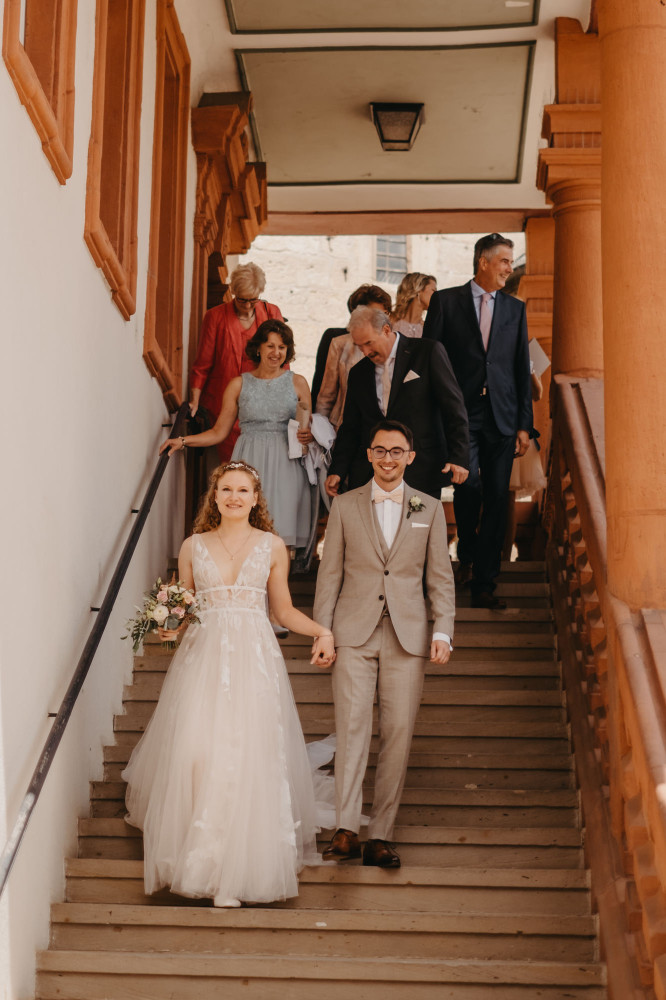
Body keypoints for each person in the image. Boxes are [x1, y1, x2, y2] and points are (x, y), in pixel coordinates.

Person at [123, 461, 336, 906]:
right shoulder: (193, 545)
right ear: (215, 496)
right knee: (197, 751)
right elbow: (182, 607)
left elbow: (281, 611)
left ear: (256, 498)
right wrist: (167, 627)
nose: (234, 497)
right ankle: (198, 861)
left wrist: (321, 631)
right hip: (203, 660)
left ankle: (237, 877)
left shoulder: (272, 546)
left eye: (243, 490)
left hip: (253, 663)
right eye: (226, 489)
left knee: (246, 756)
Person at [314, 421, 455, 868]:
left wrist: (442, 630)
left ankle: (381, 835)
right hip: (352, 633)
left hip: (407, 636)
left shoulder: (429, 508)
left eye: (397, 451)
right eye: (380, 450)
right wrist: (323, 632)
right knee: (351, 729)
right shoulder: (345, 505)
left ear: (410, 457)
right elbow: (329, 576)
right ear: (369, 455)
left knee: (397, 734)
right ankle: (345, 830)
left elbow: (440, 577)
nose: (388, 458)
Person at [422, 233, 533, 610]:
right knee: (467, 487)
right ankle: (467, 556)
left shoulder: (515, 309)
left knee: (498, 497)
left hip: (502, 416)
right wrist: (432, 415)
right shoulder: (446, 301)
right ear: (483, 262)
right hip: (460, 415)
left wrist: (524, 424)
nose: (509, 268)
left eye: (510, 261)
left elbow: (520, 367)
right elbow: (429, 359)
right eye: (504, 261)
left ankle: (485, 581)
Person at [163, 320, 312, 550]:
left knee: (280, 539)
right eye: (270, 346)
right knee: (244, 533)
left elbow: (308, 429)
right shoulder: (238, 384)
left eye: (282, 347)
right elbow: (219, 431)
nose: (276, 352)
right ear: (258, 348)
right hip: (249, 460)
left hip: (286, 463)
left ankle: (280, 574)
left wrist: (308, 436)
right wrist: (183, 441)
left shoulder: (298, 382)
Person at [325, 306, 469, 500]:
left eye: (368, 343)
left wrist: (459, 456)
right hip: (370, 474)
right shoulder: (358, 372)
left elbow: (453, 408)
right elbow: (351, 427)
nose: (365, 352)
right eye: (360, 346)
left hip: (420, 469)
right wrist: (338, 470)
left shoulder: (427, 352)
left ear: (386, 330)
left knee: (418, 521)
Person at [189, 262, 283, 462]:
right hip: (224, 404)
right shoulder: (215, 317)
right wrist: (194, 400)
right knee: (232, 464)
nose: (248, 306)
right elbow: (202, 365)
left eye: (253, 300)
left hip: (262, 405)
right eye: (242, 300)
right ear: (233, 292)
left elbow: (283, 362)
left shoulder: (272, 314)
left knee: (260, 464)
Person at [315, 291, 392, 431]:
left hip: (381, 429)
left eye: (385, 313)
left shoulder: (393, 346)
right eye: (376, 313)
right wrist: (318, 430)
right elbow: (326, 396)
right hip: (342, 425)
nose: (382, 318)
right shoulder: (339, 344)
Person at [390, 273, 437, 338]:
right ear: (419, 289)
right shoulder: (390, 322)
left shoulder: (428, 329)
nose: (436, 295)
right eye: (433, 290)